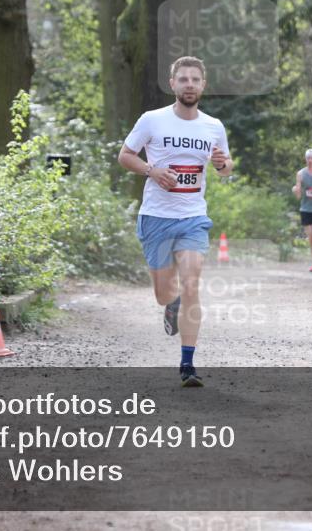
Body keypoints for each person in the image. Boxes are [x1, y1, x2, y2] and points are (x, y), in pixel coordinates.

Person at [118, 56, 232, 388]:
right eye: (183, 79)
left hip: (193, 217)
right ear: (173, 84)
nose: (189, 85)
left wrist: (223, 165)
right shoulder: (152, 120)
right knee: (164, 293)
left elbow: (225, 169)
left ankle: (187, 365)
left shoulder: (213, 126)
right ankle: (171, 305)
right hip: (156, 218)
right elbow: (125, 155)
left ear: (203, 85)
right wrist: (152, 170)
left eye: (195, 80)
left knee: (192, 283)